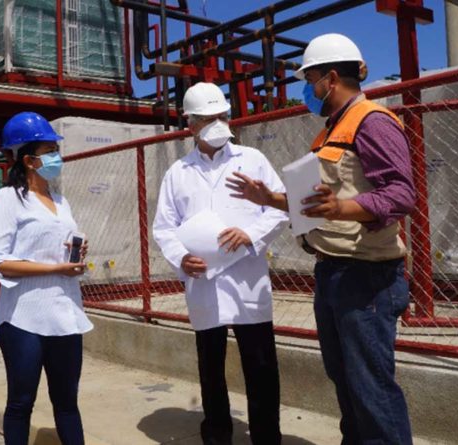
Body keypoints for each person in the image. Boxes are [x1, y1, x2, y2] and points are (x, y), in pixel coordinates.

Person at [226, 33, 416, 444]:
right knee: (345, 378)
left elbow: (402, 194)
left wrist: (342, 209)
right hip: (333, 273)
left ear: (330, 78)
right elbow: (317, 203)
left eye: (309, 78)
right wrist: (270, 198)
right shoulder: (331, 131)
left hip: (367, 277)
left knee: (371, 385)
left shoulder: (372, 121)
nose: (305, 89)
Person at [153, 82, 289, 445]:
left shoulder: (253, 160)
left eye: (222, 116)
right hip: (205, 283)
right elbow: (164, 228)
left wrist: (251, 235)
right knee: (210, 368)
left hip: (248, 281)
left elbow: (278, 210)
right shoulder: (177, 173)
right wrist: (182, 258)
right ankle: (216, 434)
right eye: (208, 118)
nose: (217, 124)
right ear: (191, 125)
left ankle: (266, 437)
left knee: (261, 367)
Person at [0, 112, 92, 445]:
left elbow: (56, 249)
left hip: (64, 315)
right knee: (20, 403)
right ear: (30, 159)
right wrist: (55, 269)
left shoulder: (62, 201)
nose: (57, 157)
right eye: (49, 150)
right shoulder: (7, 200)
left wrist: (75, 255)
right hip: (22, 320)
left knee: (67, 404)